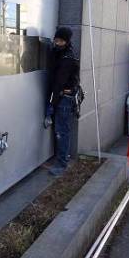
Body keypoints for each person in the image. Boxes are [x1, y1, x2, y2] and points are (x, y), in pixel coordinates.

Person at [46, 26, 80, 177]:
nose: (57, 43)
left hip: (64, 98)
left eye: (60, 41)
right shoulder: (59, 53)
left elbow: (58, 84)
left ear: (66, 42)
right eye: (56, 40)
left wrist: (51, 105)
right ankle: (60, 159)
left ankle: (61, 164)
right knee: (60, 130)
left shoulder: (67, 59)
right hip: (59, 96)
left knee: (62, 131)